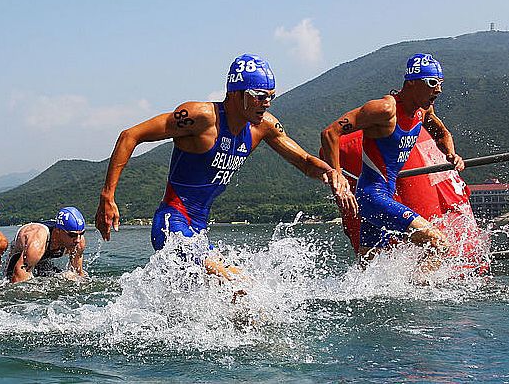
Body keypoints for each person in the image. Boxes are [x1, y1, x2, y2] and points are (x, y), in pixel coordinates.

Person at [96, 53, 352, 278]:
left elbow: (305, 162)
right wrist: (108, 196)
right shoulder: (201, 117)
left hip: (198, 234)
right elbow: (130, 135)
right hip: (171, 223)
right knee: (238, 283)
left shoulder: (263, 127)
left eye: (271, 97)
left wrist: (332, 173)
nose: (267, 103)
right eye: (259, 96)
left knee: (233, 304)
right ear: (235, 94)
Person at [320, 53, 465, 261]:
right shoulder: (385, 110)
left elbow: (442, 133)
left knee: (368, 272)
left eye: (441, 83)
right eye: (432, 82)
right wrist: (338, 176)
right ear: (412, 82)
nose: (439, 89)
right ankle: (419, 291)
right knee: (438, 244)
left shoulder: (422, 111)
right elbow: (330, 133)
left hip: (385, 195)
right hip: (373, 196)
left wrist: (451, 154)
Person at [5, 206, 88, 283]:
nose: (77, 240)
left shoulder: (79, 242)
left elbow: (78, 273)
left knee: (68, 277)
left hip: (42, 257)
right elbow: (20, 275)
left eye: (81, 233)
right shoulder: (37, 241)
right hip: (19, 257)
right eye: (72, 235)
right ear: (58, 230)